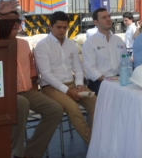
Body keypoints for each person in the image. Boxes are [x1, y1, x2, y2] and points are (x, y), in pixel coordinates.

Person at [34, 11, 96, 145]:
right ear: (50, 26)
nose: (62, 30)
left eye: (65, 27)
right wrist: (68, 91)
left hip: (72, 84)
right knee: (73, 109)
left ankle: (99, 138)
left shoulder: (71, 44)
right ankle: (93, 144)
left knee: (96, 102)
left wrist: (79, 84)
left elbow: (78, 68)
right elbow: (46, 74)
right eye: (58, 27)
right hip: (50, 88)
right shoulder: (42, 45)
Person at [8, 12, 63, 158]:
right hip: (6, 94)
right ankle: (16, 153)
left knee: (55, 109)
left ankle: (31, 153)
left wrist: (34, 84)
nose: (15, 24)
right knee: (22, 104)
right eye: (10, 21)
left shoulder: (24, 43)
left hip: (27, 90)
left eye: (17, 21)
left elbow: (32, 68)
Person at [83, 8, 126, 95]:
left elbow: (125, 62)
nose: (108, 19)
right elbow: (90, 69)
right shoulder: (90, 42)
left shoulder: (118, 40)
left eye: (109, 16)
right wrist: (108, 81)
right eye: (104, 17)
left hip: (119, 80)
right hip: (100, 82)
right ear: (96, 22)